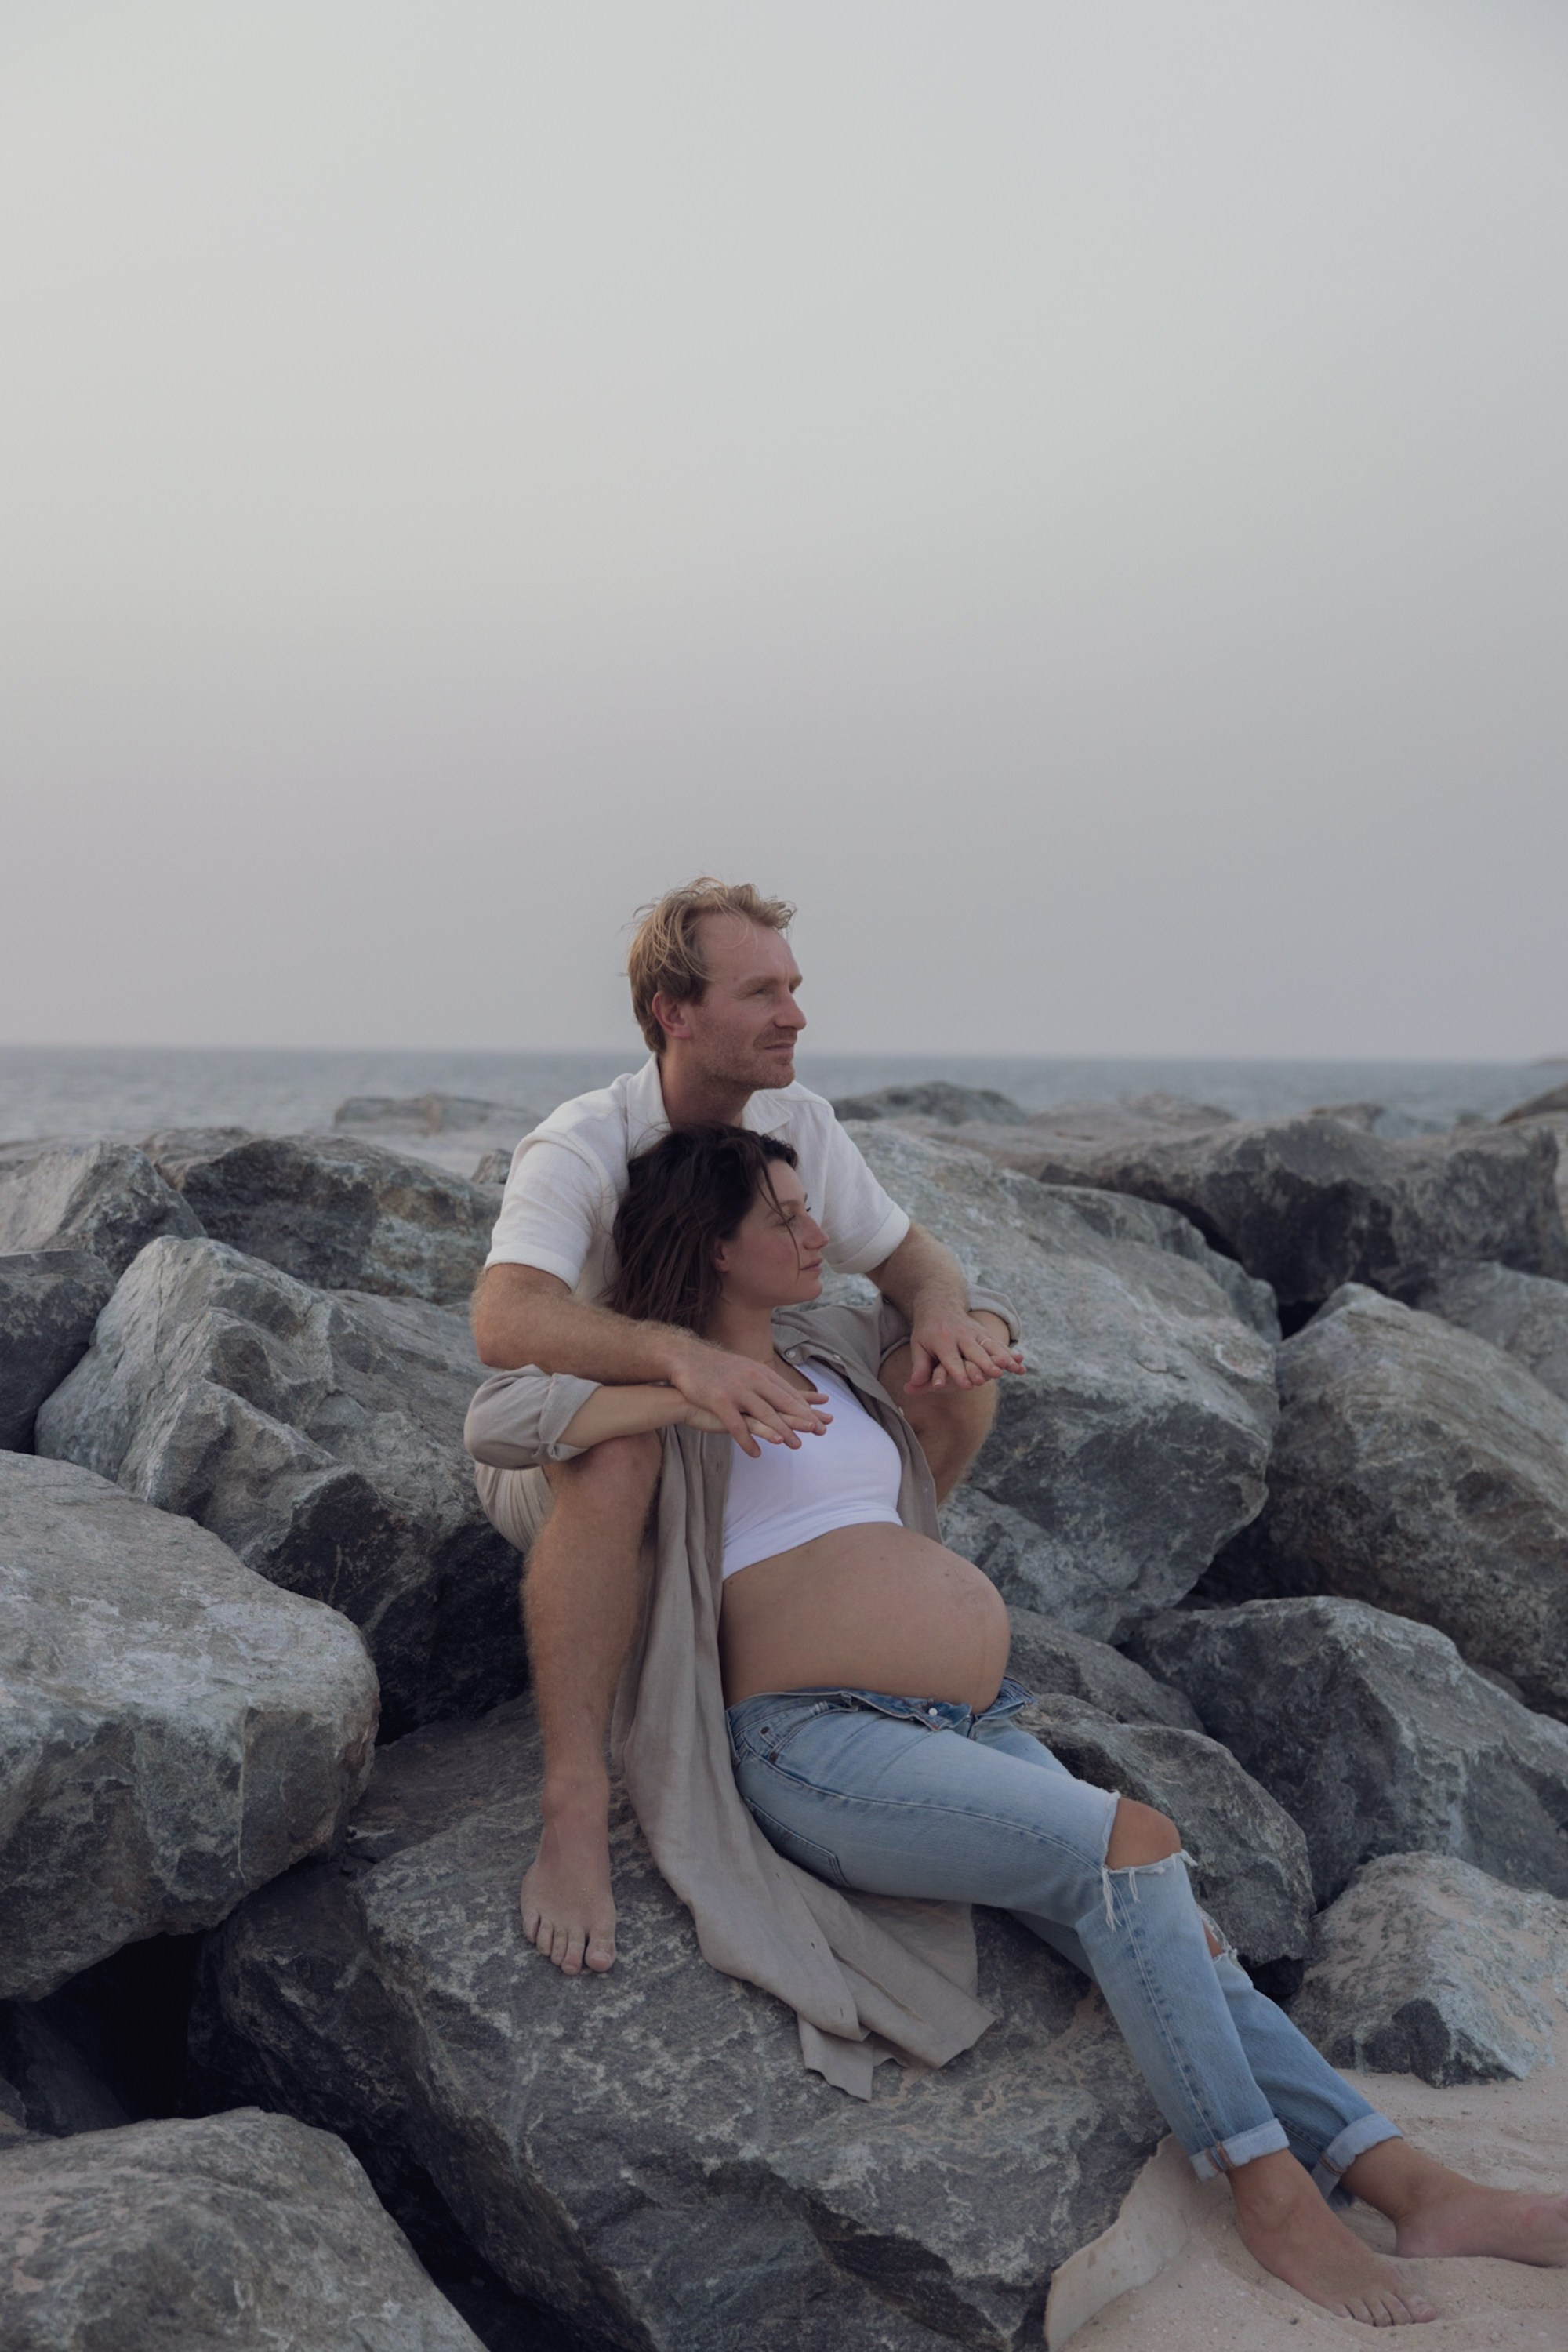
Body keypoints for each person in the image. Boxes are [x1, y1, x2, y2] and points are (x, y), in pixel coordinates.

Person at [467, 1123, 1568, 2331]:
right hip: (817, 1745)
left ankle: (1416, 2188)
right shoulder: (661, 1401)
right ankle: (1270, 2194)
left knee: (1172, 1927)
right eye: (782, 1217)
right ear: (713, 1247)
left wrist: (969, 1330)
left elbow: (952, 1300)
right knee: (1134, 1847)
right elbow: (499, 1424)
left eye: (808, 1205)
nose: (816, 1231)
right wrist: (680, 1381)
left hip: (961, 1722)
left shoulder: (830, 1344)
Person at [469, 877, 1023, 1984]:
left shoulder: (795, 1122)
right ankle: (575, 1804)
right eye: (761, 993)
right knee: (620, 1451)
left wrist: (945, 1316)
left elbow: (912, 1260)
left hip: (735, 1425)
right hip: (587, 1435)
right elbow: (506, 1321)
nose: (795, 1016)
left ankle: (833, 1622)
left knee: (948, 1382)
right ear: (675, 1012)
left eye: (794, 987)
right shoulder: (583, 1142)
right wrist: (678, 1360)